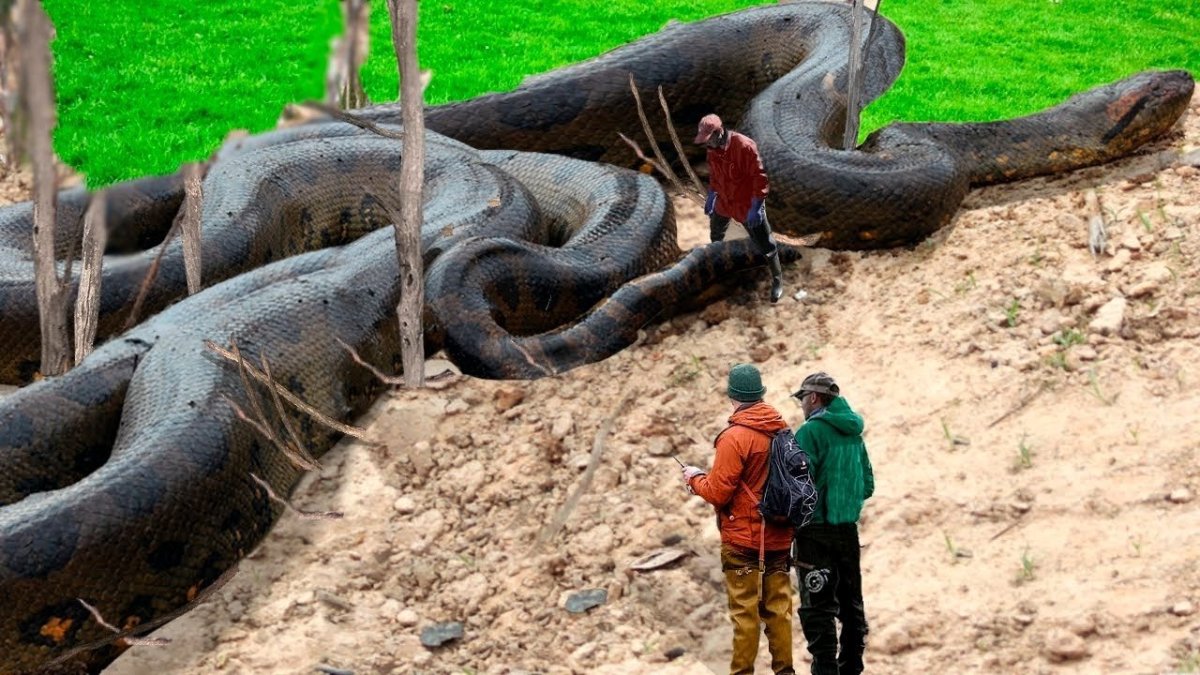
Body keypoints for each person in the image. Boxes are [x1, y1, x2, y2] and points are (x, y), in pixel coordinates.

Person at [681, 363, 796, 675]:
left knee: (745, 613)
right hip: (780, 535)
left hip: (743, 539)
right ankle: (785, 671)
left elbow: (718, 492)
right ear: (760, 394)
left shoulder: (735, 437)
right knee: (779, 610)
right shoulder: (782, 429)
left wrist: (694, 478)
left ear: (732, 395)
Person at [789, 372, 874, 675]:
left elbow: (797, 483)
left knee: (817, 608)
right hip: (847, 531)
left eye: (802, 399)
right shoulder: (853, 433)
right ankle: (852, 668)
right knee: (851, 605)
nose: (801, 405)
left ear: (813, 398)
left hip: (815, 532)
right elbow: (867, 485)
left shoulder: (809, 433)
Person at [694, 113, 784, 303]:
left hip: (746, 202)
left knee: (765, 244)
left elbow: (760, 179)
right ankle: (720, 271)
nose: (706, 144)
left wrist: (757, 206)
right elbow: (715, 177)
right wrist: (711, 196)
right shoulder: (712, 149)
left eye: (707, 139)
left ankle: (777, 280)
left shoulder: (744, 146)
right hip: (724, 202)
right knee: (716, 235)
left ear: (719, 133)